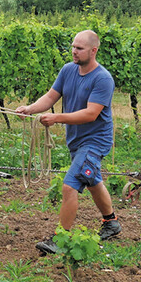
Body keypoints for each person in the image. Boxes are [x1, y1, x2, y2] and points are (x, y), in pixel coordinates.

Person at [17, 29, 120, 254]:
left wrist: (56, 118)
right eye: (73, 46)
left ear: (93, 51)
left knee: (70, 185)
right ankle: (110, 222)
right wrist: (30, 108)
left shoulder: (103, 78)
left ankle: (60, 238)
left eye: (79, 48)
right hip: (76, 140)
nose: (74, 51)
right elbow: (51, 96)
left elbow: (91, 114)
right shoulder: (68, 70)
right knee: (92, 181)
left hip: (95, 141)